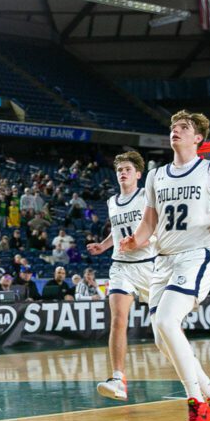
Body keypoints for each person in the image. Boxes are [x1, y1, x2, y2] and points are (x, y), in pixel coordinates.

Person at [120, 110, 210, 421]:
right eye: (174, 127)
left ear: (198, 138)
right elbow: (150, 221)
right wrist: (137, 240)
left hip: (196, 255)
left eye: (184, 128)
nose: (176, 131)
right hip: (162, 262)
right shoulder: (155, 176)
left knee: (166, 322)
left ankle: (197, 405)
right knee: (163, 341)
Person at [87, 151, 154, 401]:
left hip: (149, 265)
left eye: (127, 169)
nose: (122, 173)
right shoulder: (112, 201)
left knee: (165, 328)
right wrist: (103, 246)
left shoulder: (147, 196)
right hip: (121, 266)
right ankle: (118, 379)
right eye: (119, 170)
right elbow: (116, 231)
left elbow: (158, 227)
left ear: (138, 174)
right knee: (117, 319)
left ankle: (192, 377)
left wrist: (139, 242)